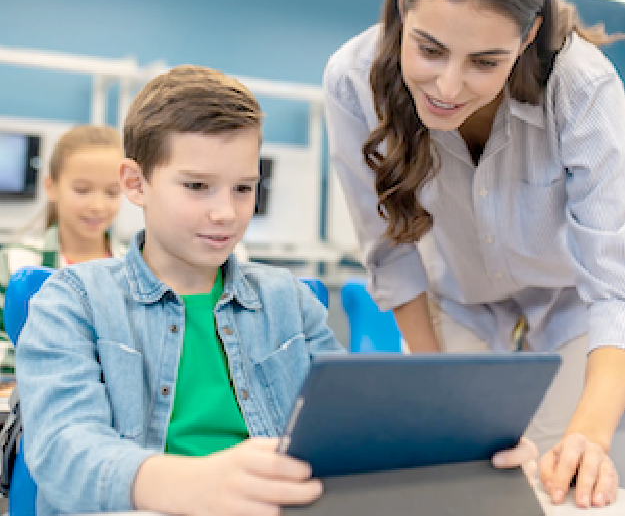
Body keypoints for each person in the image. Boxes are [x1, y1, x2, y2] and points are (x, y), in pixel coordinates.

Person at [16, 65, 535, 515]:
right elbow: (63, 451)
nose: (226, 212)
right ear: (136, 183)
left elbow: (350, 430)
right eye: (197, 186)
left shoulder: (289, 301)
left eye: (243, 188)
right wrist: (192, 485)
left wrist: (470, 448)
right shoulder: (72, 300)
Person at [324, 0, 624, 509]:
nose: (448, 85)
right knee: (462, 483)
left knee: (558, 488)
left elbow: (612, 286)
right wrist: (440, 397)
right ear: (404, 6)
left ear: (528, 32)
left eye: (485, 62)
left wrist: (589, 436)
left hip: (570, 308)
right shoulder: (353, 79)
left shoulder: (583, 87)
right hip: (456, 300)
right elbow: (392, 255)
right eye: (429, 49)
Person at [0, 125, 126, 367]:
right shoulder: (15, 261)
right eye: (82, 190)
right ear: (51, 187)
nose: (98, 205)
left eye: (112, 192)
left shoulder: (136, 266)